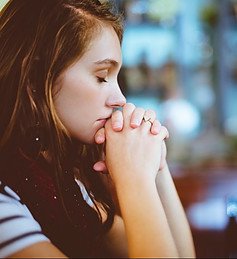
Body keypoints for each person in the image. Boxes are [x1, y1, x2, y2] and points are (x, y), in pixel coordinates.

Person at [0, 0, 196, 258]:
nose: (121, 99)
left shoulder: (63, 183)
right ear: (37, 78)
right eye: (102, 76)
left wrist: (154, 165)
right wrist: (134, 179)